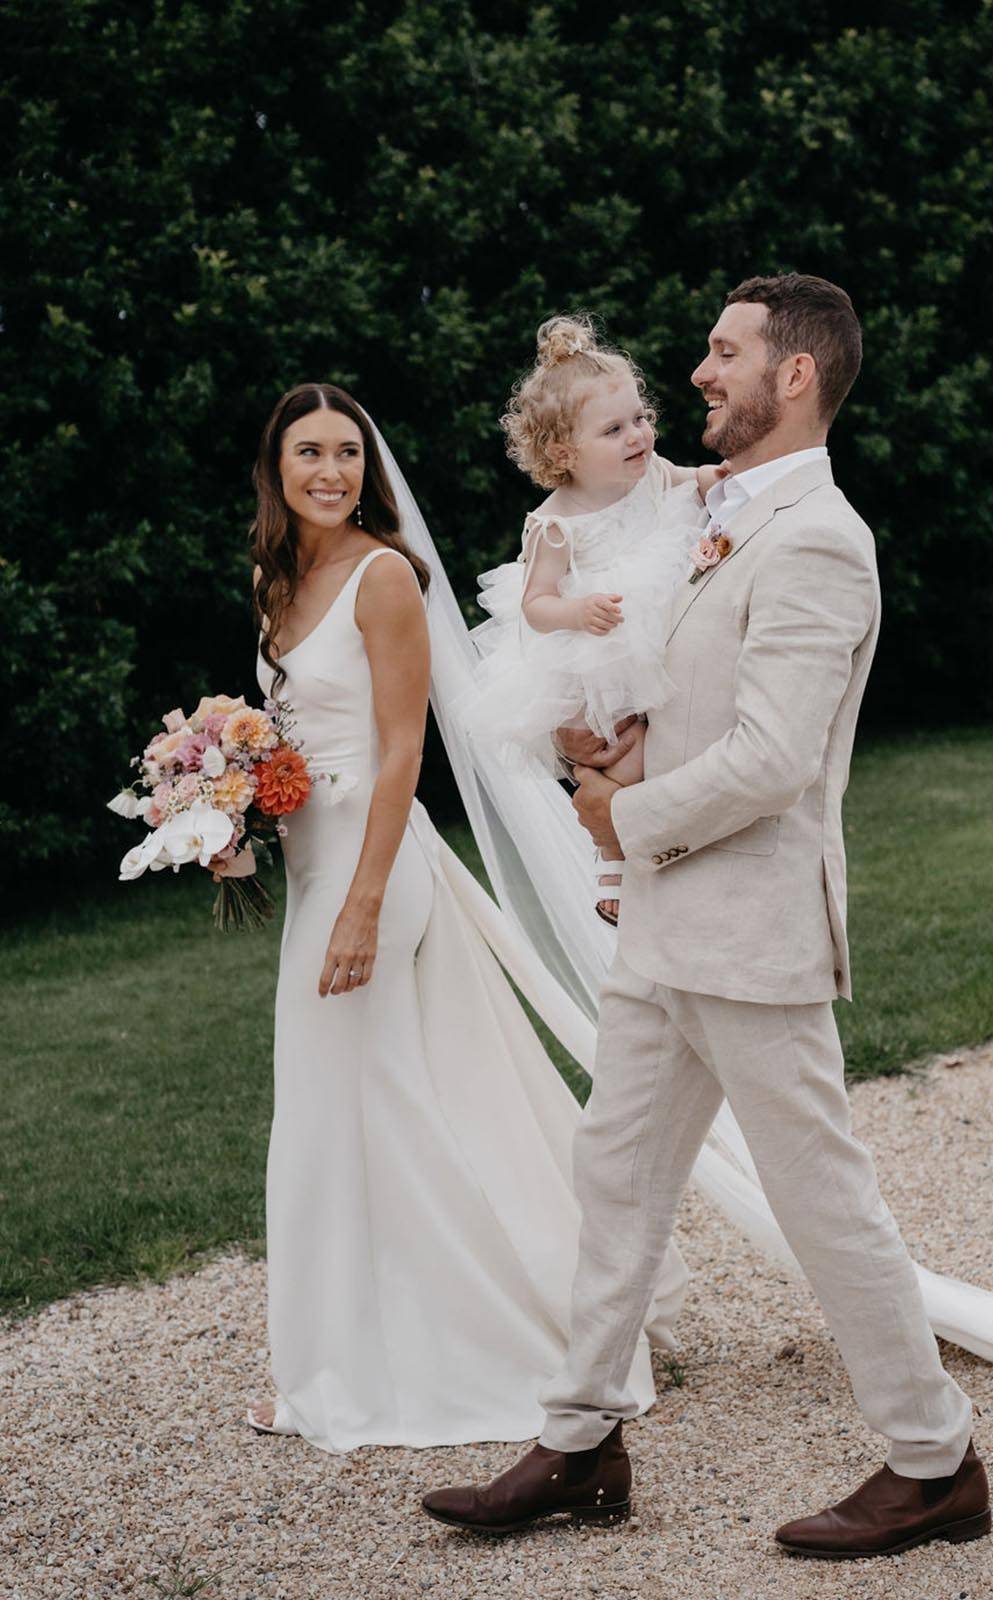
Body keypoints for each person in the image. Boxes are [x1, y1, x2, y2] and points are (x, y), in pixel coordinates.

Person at [421, 275, 993, 1557]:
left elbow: (772, 758)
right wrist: (600, 742)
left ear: (793, 376)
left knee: (819, 1198)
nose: (696, 372)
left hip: (748, 929)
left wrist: (619, 816)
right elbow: (665, 691)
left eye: (724, 353)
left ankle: (933, 1458)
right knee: (614, 1171)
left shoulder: (819, 539)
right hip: (662, 929)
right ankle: (578, 1439)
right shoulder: (698, 514)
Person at [243, 381, 687, 1451]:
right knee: (345, 1106)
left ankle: (425, 1361)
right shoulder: (275, 578)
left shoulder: (383, 575)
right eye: (309, 453)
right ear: (276, 467)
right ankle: (341, 1358)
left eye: (347, 453)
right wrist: (231, 812)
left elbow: (402, 750)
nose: (331, 473)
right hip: (313, 858)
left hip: (369, 871)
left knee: (362, 1110)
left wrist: (358, 905)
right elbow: (285, 732)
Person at [456, 315, 723, 922]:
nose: (638, 436)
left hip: (658, 636)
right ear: (563, 452)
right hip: (594, 656)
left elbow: (688, 481)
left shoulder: (653, 475)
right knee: (614, 753)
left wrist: (712, 478)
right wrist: (577, 611)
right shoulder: (557, 522)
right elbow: (535, 604)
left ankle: (634, 849)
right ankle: (611, 860)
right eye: (614, 429)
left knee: (652, 749)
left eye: (641, 419)